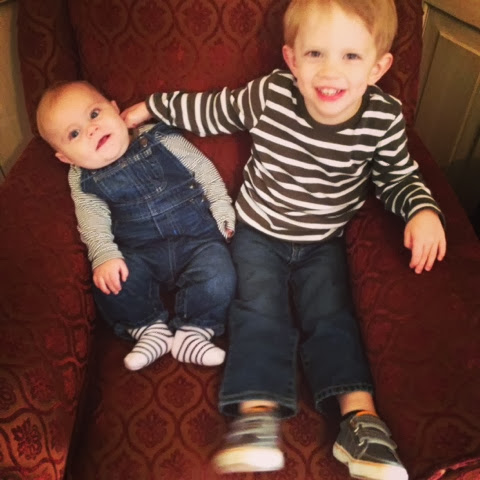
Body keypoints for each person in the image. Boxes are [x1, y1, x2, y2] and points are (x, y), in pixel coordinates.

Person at [121, 0, 447, 477]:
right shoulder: (271, 94)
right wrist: (154, 106)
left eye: (351, 56)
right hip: (257, 232)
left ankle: (361, 422)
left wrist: (421, 210)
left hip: (324, 241)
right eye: (315, 53)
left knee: (332, 318)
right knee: (258, 311)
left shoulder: (382, 118)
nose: (330, 71)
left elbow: (398, 176)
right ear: (292, 59)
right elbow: (213, 110)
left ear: (377, 68)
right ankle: (257, 415)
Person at [36, 81, 237, 371]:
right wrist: (104, 256)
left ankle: (193, 332)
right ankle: (149, 330)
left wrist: (221, 206)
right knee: (109, 284)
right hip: (139, 252)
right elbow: (92, 220)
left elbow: (202, 168)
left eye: (94, 114)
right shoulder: (81, 177)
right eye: (74, 133)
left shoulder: (158, 136)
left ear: (115, 109)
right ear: (65, 157)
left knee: (220, 273)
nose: (91, 129)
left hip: (196, 239)